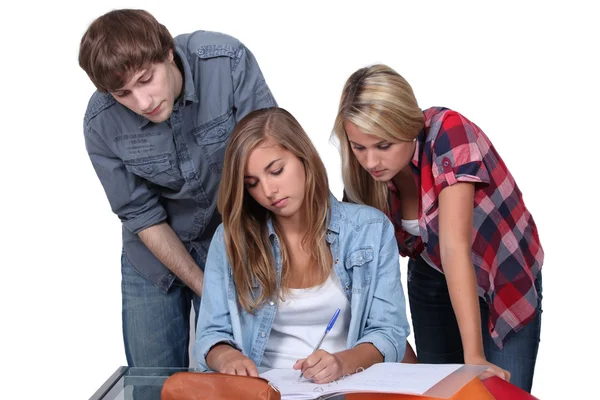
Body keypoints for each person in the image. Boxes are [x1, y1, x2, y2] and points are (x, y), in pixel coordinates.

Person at [78, 9, 276, 369]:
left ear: (168, 52)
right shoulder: (99, 123)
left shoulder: (226, 62)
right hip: (153, 255)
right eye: (123, 93)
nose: (143, 103)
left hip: (232, 241)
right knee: (155, 382)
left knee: (241, 377)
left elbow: (271, 159)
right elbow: (143, 216)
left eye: (146, 79)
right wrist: (206, 288)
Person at [332, 64, 543, 392]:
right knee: (443, 392)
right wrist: (396, 356)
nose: (370, 161)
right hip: (432, 276)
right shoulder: (360, 178)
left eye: (383, 146)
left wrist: (473, 356)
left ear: (409, 125)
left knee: (496, 392)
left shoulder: (448, 131)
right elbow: (361, 276)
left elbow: (454, 245)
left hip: (502, 276)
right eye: (359, 147)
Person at [194, 107, 409, 383]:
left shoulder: (370, 230)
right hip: (263, 390)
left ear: (303, 157)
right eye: (252, 184)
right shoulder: (231, 240)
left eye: (276, 171)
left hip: (345, 388)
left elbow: (389, 333)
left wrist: (341, 363)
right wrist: (226, 357)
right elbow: (211, 335)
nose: (268, 192)